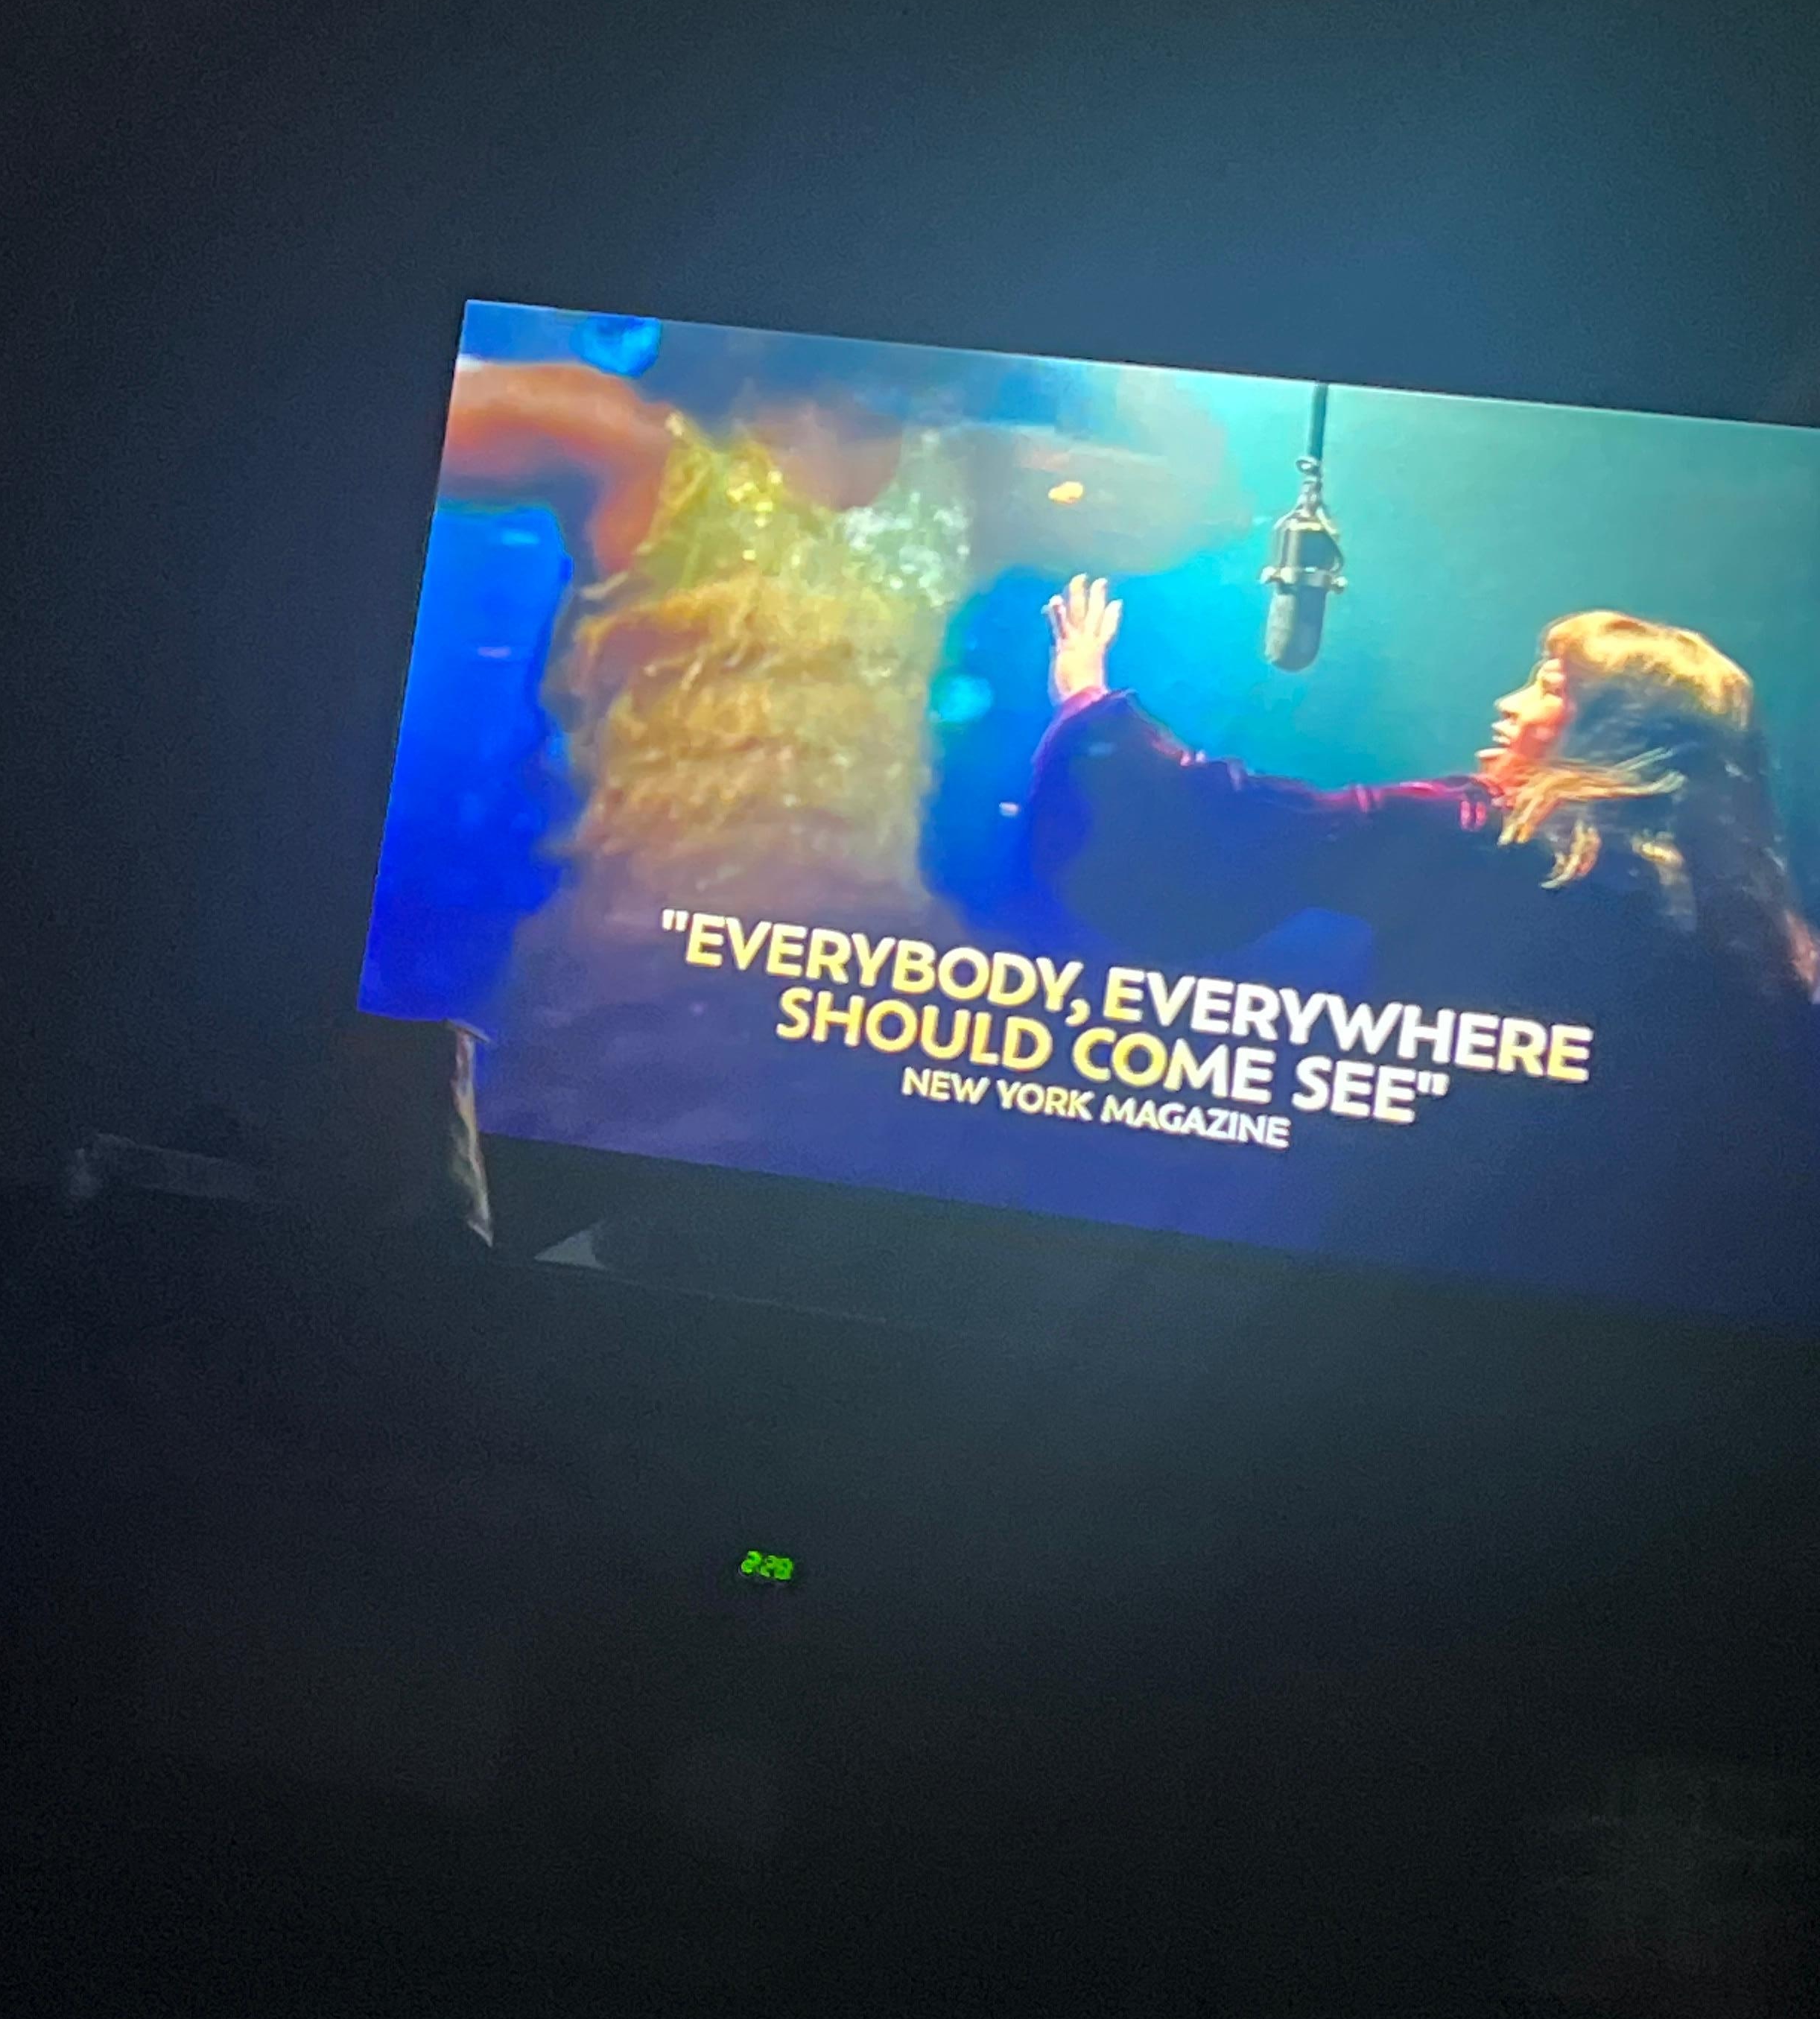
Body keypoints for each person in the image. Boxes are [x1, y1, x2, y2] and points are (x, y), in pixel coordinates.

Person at [437, 343, 1245, 1162]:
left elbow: (1200, 504)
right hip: (632, 1018)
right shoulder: (632, 441)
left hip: (855, 1017)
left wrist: (1087, 338)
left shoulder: (968, 477)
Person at [1029, 575, 1820, 1319]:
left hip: (1423, 1245)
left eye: (1550, 688)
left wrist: (1091, 708)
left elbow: (1229, 823)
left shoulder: (1476, 834)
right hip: (1637, 1284)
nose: (1508, 705)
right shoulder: (1752, 920)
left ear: (1617, 729)